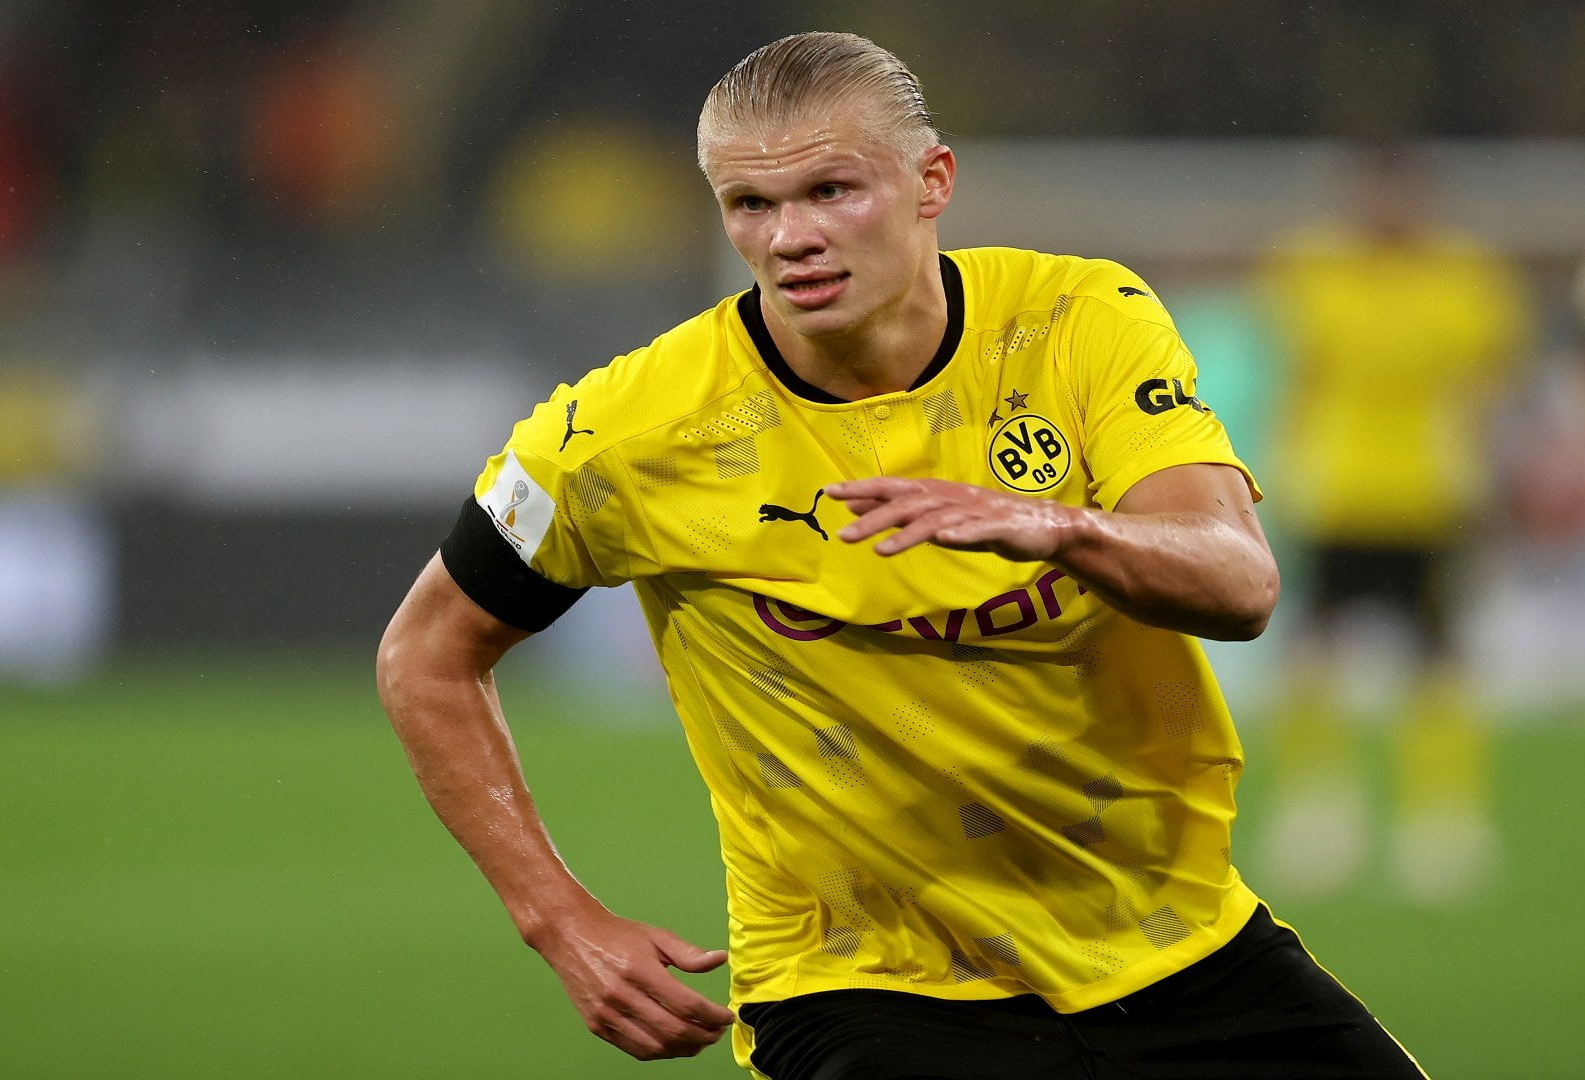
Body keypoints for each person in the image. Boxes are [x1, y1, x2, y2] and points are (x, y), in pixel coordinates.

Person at [378, 32, 1426, 1079]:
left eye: (832, 190)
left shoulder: (1079, 323)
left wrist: (1056, 525)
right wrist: (558, 921)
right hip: (859, 982)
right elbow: (425, 653)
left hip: (1171, 940)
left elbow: (1240, 585)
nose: (791, 237)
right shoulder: (628, 435)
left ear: (933, 182)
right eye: (751, 205)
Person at [1255, 146, 1531, 907]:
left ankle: (1441, 820)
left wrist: (1495, 486)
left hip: (1433, 494)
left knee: (1438, 660)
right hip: (1338, 492)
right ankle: (1319, 812)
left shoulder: (1466, 277)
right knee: (1312, 654)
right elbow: (1296, 379)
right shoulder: (1310, 270)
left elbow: (1490, 391)